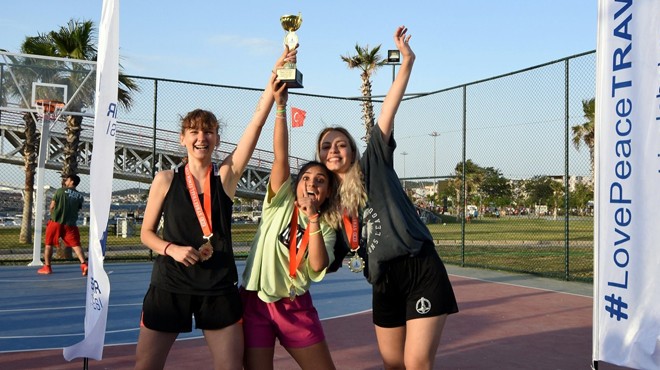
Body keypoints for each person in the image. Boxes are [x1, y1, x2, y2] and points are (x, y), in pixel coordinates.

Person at [134, 47, 297, 370]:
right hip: (171, 284)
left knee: (230, 366)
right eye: (194, 131)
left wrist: (272, 80)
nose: (201, 138)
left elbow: (254, 126)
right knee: (146, 366)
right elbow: (145, 234)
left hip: (218, 286)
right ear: (182, 139)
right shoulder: (165, 179)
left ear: (217, 138)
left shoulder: (226, 177)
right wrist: (173, 249)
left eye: (208, 131)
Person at [315, 26, 459, 370]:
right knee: (393, 364)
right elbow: (328, 258)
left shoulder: (373, 165)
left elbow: (386, 113)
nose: (333, 150)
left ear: (351, 149)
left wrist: (406, 61)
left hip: (419, 267)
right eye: (325, 146)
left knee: (416, 363)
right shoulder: (330, 203)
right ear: (320, 157)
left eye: (340, 144)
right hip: (382, 280)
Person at [240, 75, 340, 370]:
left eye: (320, 181)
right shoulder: (279, 201)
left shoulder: (326, 227)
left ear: (327, 193)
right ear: (295, 185)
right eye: (306, 178)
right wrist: (281, 108)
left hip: (295, 306)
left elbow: (319, 265)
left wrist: (312, 218)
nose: (311, 184)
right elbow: (280, 155)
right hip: (255, 302)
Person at [37, 174, 87, 276]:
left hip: (56, 222)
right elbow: (77, 209)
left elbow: (52, 206)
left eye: (67, 179)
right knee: (76, 245)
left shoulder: (60, 191)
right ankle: (84, 264)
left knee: (48, 244)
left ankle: (47, 267)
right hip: (71, 224)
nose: (65, 181)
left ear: (72, 182)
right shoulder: (80, 196)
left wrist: (53, 214)